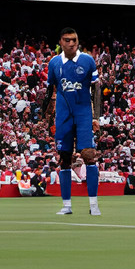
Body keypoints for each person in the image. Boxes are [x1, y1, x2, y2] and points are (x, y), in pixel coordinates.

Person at [40, 28, 102, 216]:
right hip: (63, 116)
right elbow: (50, 90)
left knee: (89, 154)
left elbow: (96, 89)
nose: (71, 43)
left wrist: (96, 116)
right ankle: (66, 206)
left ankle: (93, 205)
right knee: (65, 159)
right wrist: (44, 116)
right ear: (61, 42)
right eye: (67, 40)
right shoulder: (54, 63)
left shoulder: (87, 60)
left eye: (74, 40)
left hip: (83, 114)